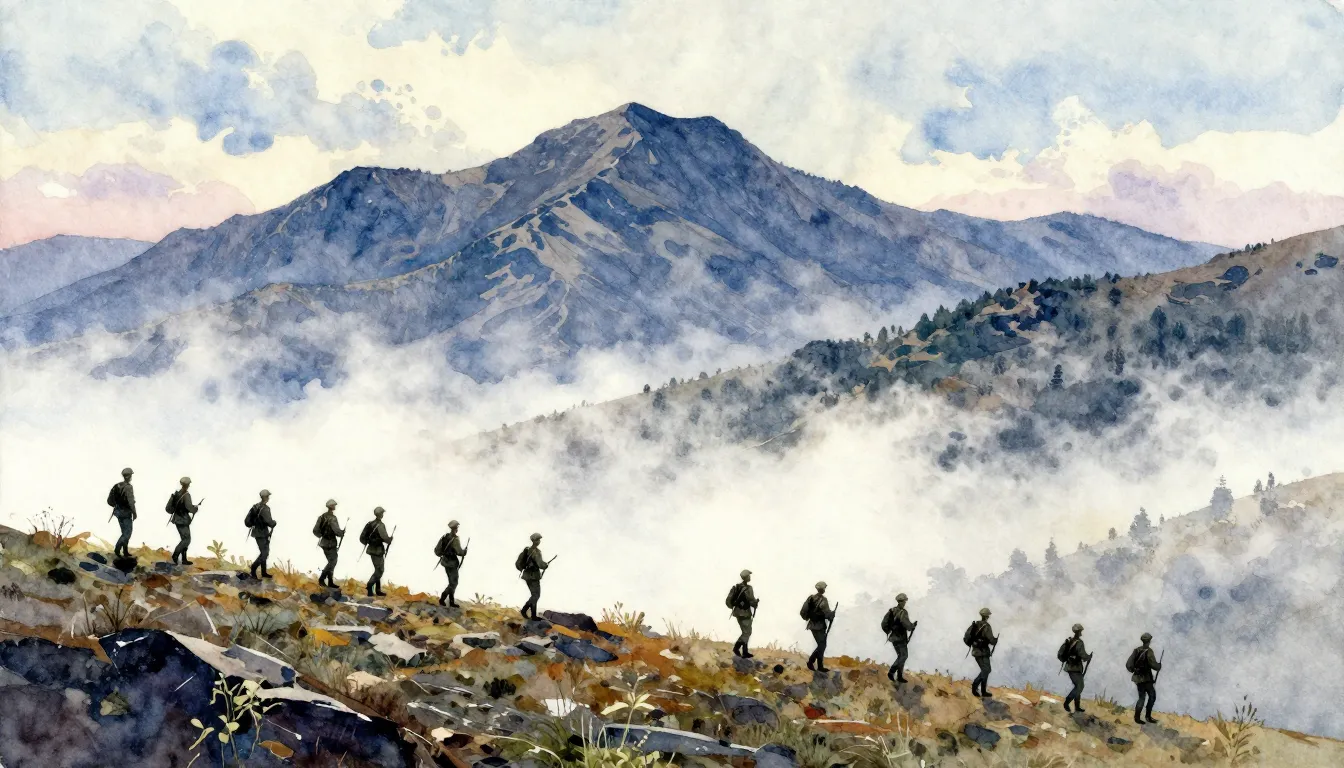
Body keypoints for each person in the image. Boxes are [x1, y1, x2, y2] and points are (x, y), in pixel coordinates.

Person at [1127, 632, 1163, 724]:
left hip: (1138, 679)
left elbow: (1128, 664)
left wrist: (1135, 670)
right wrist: (1159, 666)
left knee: (1141, 697)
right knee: (1152, 696)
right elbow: (1154, 665)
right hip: (1146, 679)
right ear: (1149, 641)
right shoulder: (1149, 651)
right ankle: (1148, 717)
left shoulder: (1136, 650)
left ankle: (1137, 717)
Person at [801, 581, 836, 673]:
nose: (824, 590)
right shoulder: (823, 600)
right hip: (820, 626)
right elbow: (827, 614)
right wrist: (832, 615)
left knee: (822, 645)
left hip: (812, 625)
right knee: (822, 645)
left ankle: (819, 666)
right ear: (822, 589)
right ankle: (811, 662)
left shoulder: (811, 598)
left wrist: (809, 617)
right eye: (824, 588)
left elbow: (803, 611)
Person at [881, 593, 916, 683]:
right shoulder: (903, 612)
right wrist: (913, 626)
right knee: (904, 656)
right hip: (901, 638)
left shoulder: (892, 610)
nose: (905, 603)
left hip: (893, 638)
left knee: (901, 656)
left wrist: (889, 631)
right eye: (904, 601)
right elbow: (907, 626)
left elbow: (883, 624)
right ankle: (892, 672)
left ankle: (899, 676)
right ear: (901, 602)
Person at [1060, 623, 1094, 712]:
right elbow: (1083, 656)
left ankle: (1077, 707)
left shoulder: (1069, 641)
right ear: (1079, 632)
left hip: (1070, 667)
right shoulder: (1079, 643)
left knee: (1078, 686)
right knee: (1080, 686)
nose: (1081, 633)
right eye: (1080, 631)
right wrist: (1089, 657)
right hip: (1075, 668)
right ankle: (1067, 702)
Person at [966, 607, 998, 698]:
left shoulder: (974, 625)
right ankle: (975, 686)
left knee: (985, 670)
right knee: (986, 670)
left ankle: (983, 691)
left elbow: (967, 637)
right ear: (987, 616)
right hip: (983, 652)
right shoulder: (987, 626)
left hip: (976, 651)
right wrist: (995, 640)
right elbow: (991, 641)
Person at [167, 477, 200, 565]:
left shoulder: (177, 494)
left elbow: (184, 506)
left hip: (177, 519)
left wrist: (192, 507)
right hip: (183, 520)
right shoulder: (186, 495)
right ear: (188, 485)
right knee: (186, 540)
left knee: (184, 539)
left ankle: (184, 559)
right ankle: (175, 555)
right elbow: (189, 508)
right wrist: (195, 509)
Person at [434, 520, 467, 607]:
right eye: (457, 527)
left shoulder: (445, 536)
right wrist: (464, 552)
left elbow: (437, 550)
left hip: (445, 562)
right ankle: (442, 598)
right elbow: (459, 552)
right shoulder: (455, 539)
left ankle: (451, 602)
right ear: (456, 528)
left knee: (451, 582)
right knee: (454, 583)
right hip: (452, 564)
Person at [361, 507, 393, 597]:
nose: (383, 514)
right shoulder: (380, 525)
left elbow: (362, 538)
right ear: (380, 514)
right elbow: (385, 538)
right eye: (382, 513)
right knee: (380, 571)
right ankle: (369, 585)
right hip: (377, 550)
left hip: (371, 549)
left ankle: (377, 590)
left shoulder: (370, 523)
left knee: (377, 570)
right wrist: (390, 539)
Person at [727, 570, 759, 658]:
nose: (750, 577)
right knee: (747, 632)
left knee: (745, 632)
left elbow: (729, 601)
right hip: (745, 613)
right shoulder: (749, 588)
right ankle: (737, 648)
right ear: (746, 577)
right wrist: (755, 603)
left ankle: (745, 651)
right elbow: (751, 600)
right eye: (749, 576)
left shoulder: (737, 587)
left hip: (737, 612)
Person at [517, 533, 549, 619]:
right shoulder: (536, 552)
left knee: (534, 595)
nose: (539, 541)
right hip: (533, 576)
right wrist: (545, 565)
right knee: (536, 595)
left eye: (539, 540)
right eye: (538, 540)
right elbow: (541, 564)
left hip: (527, 575)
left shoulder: (528, 550)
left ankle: (533, 615)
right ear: (535, 541)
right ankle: (525, 610)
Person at [245, 490, 276, 579]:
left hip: (257, 532)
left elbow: (247, 521)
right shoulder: (265, 508)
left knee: (264, 552)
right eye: (268, 496)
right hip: (263, 533)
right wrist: (274, 523)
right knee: (265, 553)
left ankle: (264, 572)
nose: (268, 498)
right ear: (265, 497)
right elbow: (270, 522)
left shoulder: (255, 506)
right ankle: (253, 568)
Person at [313, 500, 344, 589]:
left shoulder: (321, 517)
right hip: (331, 543)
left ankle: (330, 581)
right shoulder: (333, 518)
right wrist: (342, 533)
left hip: (324, 543)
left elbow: (315, 530)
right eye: (334, 505)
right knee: (333, 561)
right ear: (331, 506)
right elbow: (337, 531)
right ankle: (322, 579)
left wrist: (322, 535)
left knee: (332, 562)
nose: (335, 506)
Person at [107, 468, 137, 558]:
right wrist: (134, 513)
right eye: (131, 475)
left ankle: (125, 551)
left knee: (124, 532)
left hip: (118, 512)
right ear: (129, 476)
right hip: (126, 513)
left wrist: (117, 506)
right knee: (127, 533)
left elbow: (109, 500)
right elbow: (131, 502)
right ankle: (117, 549)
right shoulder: (129, 487)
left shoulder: (117, 485)